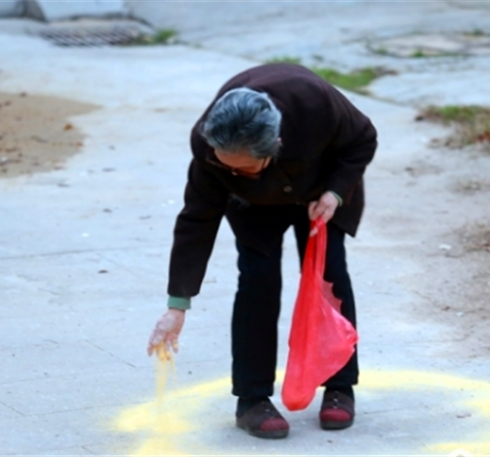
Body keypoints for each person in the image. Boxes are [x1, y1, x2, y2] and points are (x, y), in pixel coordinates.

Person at [147, 62, 377, 439]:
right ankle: (252, 400)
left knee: (330, 276)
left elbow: (362, 139)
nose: (237, 173)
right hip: (253, 207)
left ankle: (339, 386)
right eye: (229, 169)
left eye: (248, 168)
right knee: (258, 280)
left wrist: (336, 191)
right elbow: (197, 220)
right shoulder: (207, 144)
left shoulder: (312, 102)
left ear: (276, 147)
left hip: (321, 192)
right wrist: (178, 304)